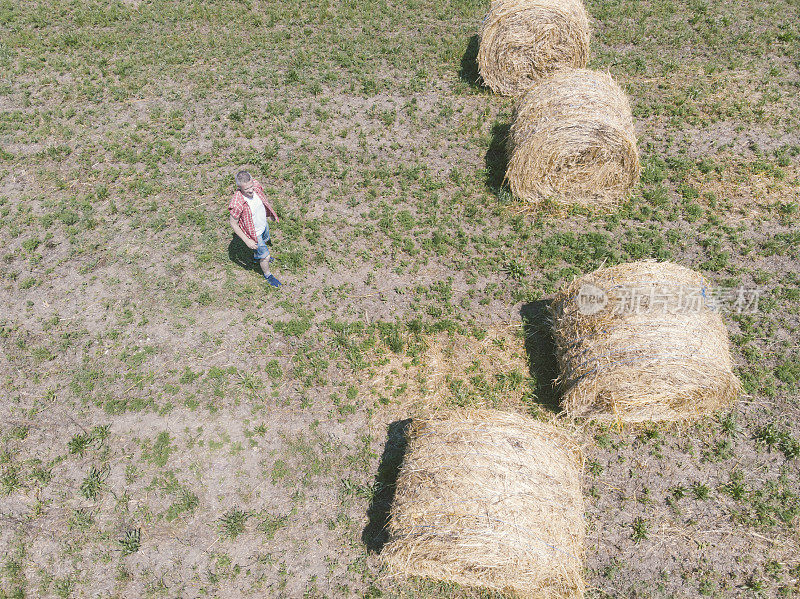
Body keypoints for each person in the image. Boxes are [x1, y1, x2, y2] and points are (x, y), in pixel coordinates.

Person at [228, 170, 281, 287]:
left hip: (263, 225)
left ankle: (258, 256)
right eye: (247, 189)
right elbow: (233, 223)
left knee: (265, 240)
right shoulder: (237, 203)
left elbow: (263, 198)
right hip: (254, 233)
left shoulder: (255, 185)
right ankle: (268, 275)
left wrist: (270, 213)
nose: (251, 190)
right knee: (265, 256)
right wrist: (247, 240)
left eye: (251, 186)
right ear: (239, 187)